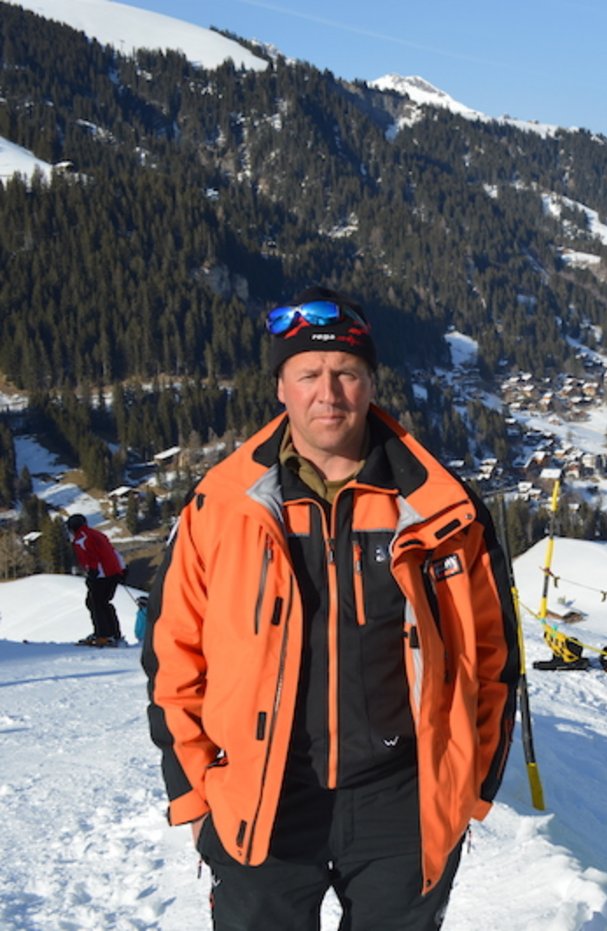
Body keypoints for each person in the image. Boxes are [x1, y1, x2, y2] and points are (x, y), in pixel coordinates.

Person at [142, 286, 520, 929]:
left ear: (371, 384)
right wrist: (195, 794)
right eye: (308, 374)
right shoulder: (223, 509)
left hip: (402, 800)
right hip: (263, 797)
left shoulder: (439, 512)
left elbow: (494, 659)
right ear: (280, 388)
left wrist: (466, 792)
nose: (329, 392)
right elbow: (173, 656)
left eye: (346, 373)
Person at [66, 513, 126, 646]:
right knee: (103, 603)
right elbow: (113, 551)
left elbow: (91, 555)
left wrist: (92, 572)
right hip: (113, 572)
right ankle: (113, 634)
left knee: (95, 603)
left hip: (102, 574)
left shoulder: (81, 538)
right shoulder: (97, 534)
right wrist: (122, 569)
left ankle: (103, 635)